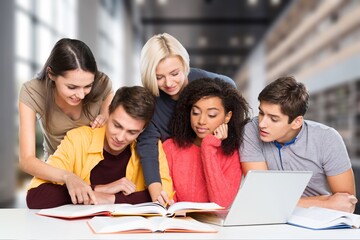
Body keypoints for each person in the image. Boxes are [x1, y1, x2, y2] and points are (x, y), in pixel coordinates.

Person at [26, 86, 173, 209]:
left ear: (143, 129)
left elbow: (163, 196)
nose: (121, 137)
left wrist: (110, 198)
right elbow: (35, 196)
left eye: (132, 132)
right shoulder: (78, 139)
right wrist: (97, 190)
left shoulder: (151, 146)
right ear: (108, 112)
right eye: (117, 125)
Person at [137, 32, 237, 203]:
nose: (168, 83)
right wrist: (157, 192)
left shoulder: (209, 83)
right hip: (177, 176)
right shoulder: (150, 104)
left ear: (184, 64)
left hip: (215, 167)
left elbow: (230, 93)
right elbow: (147, 148)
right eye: (159, 77)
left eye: (174, 73)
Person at [240, 76, 358, 213]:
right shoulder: (250, 130)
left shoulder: (327, 138)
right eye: (261, 113)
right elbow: (261, 196)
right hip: (272, 218)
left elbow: (347, 204)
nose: (262, 124)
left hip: (320, 219)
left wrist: (281, 203)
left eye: (274, 119)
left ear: (297, 122)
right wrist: (325, 202)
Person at [19, 38, 114, 205]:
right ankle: (94, 191)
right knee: (39, 199)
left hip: (97, 169)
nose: (82, 95)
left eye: (87, 86)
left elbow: (110, 103)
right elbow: (27, 159)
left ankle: (95, 190)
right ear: (51, 74)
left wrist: (106, 114)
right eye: (72, 87)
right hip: (58, 172)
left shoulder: (102, 84)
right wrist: (67, 177)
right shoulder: (32, 91)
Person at [162, 78, 250, 208]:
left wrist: (208, 147)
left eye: (212, 115)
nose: (201, 121)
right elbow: (169, 201)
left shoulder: (232, 154)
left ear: (228, 116)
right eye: (195, 112)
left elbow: (221, 203)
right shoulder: (170, 147)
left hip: (215, 226)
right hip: (177, 224)